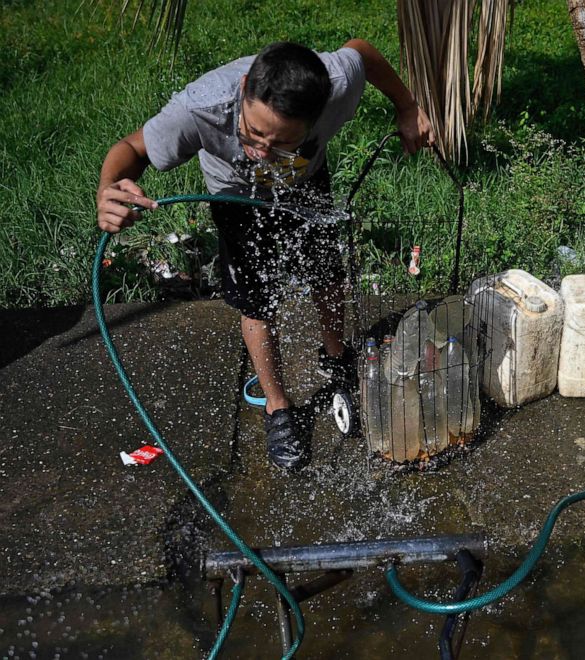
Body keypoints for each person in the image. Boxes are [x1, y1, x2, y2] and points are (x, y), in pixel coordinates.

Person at [96, 40, 434, 470]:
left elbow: (362, 52)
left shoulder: (337, 81)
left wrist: (407, 107)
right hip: (237, 197)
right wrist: (109, 189)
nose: (260, 151)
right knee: (256, 301)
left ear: (317, 116)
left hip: (307, 182)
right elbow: (131, 150)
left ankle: (336, 356)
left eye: (280, 143)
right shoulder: (199, 108)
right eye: (253, 133)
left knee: (327, 272)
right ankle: (278, 407)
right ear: (242, 90)